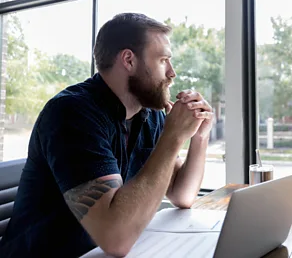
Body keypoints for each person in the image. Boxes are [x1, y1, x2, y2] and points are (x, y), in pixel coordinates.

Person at [0, 13, 213, 257]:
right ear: (129, 60)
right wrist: (172, 137)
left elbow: (181, 195)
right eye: (163, 60)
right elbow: (116, 240)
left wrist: (199, 138)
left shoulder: (149, 114)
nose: (172, 73)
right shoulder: (72, 114)